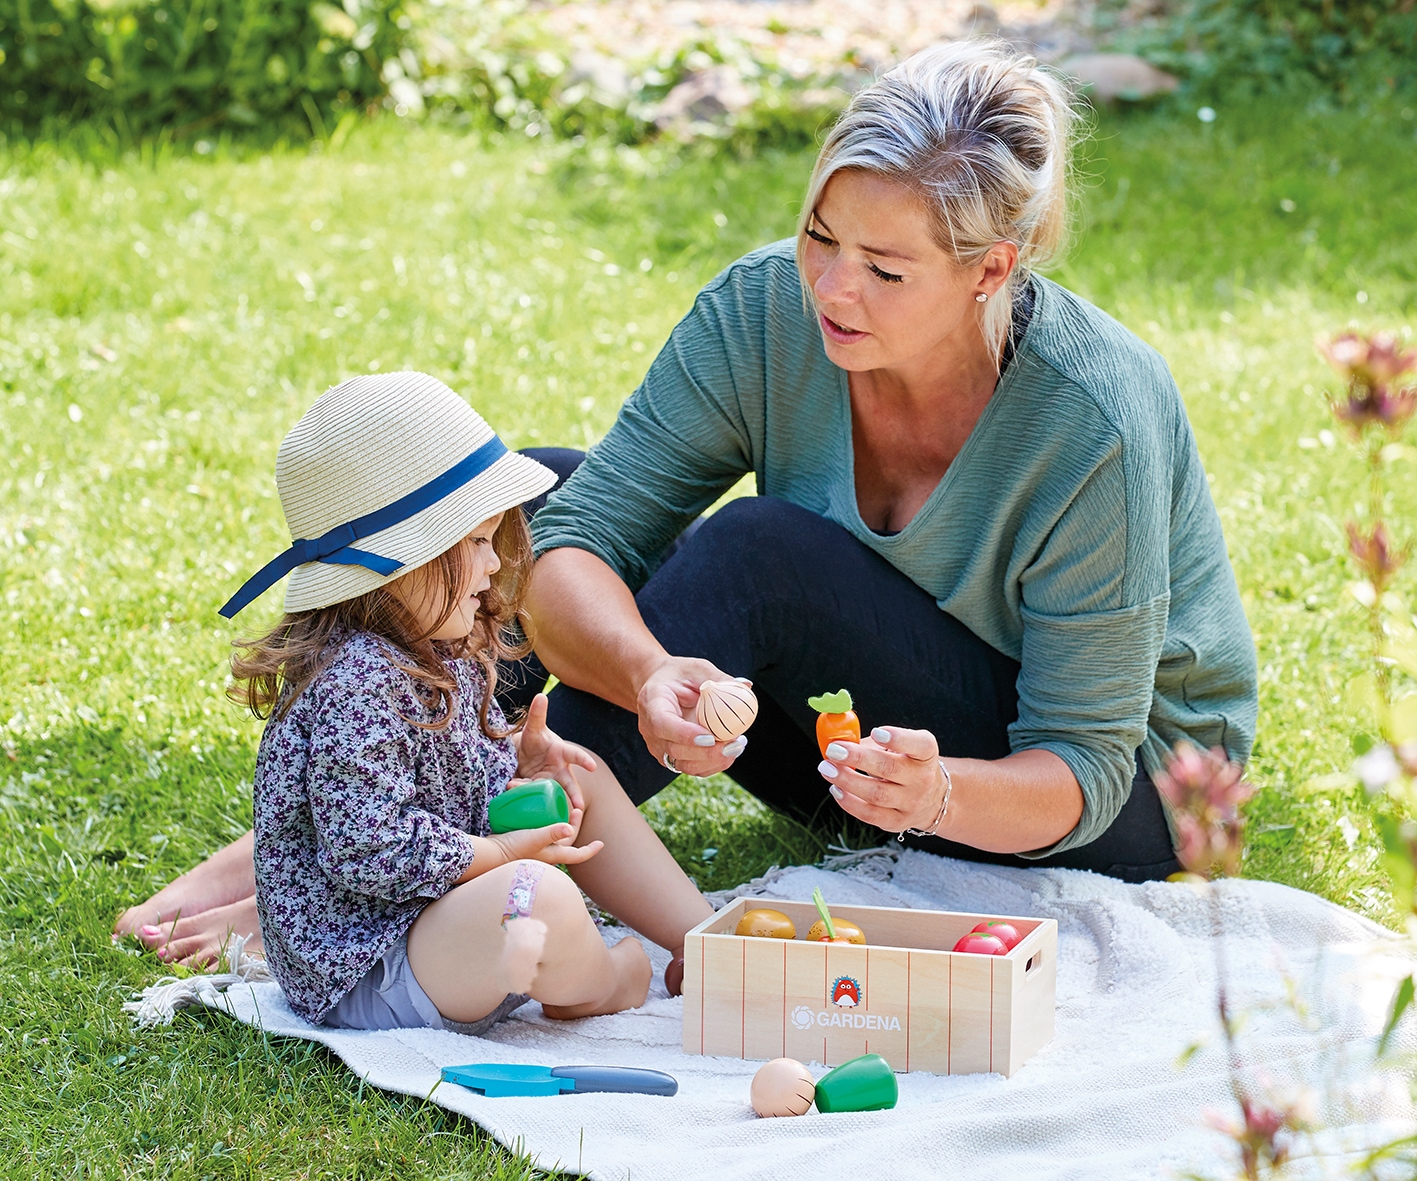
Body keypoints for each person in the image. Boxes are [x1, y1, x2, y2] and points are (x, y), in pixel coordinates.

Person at [117, 39, 1257, 967]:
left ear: (992, 270)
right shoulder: (770, 310)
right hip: (856, 749)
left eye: (884, 268)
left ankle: (386, 874)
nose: (830, 285)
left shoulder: (1092, 415)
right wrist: (652, 676)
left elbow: (1085, 764)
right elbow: (573, 537)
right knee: (534, 498)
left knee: (757, 553)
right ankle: (348, 833)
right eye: (819, 235)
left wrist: (939, 786)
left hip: (1110, 797)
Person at [164, 371, 711, 1027]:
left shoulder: (437, 647)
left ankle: (704, 936)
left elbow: (452, 782)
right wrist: (505, 856)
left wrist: (517, 763)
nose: (489, 566)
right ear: (404, 558)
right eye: (475, 542)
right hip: (370, 963)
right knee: (534, 899)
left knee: (574, 778)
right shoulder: (356, 678)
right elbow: (373, 851)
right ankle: (598, 986)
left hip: (436, 922)